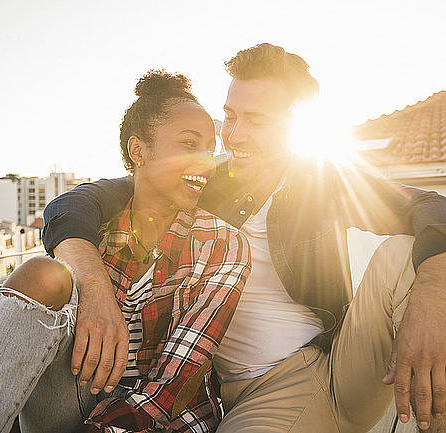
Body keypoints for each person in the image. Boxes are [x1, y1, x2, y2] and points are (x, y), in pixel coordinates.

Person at [41, 44, 446, 433]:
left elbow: (430, 206)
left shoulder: (324, 184)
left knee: (403, 256)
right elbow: (73, 205)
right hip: (229, 391)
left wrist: (434, 294)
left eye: (257, 120)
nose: (234, 135)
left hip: (324, 370)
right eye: (231, 116)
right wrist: (93, 287)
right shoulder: (199, 178)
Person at [0, 70, 251, 433]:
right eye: (188, 144)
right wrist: (95, 291)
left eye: (209, 150)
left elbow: (175, 383)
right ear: (139, 151)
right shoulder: (91, 235)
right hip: (75, 401)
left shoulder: (221, 243)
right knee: (42, 273)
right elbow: (64, 210)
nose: (205, 162)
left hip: (165, 420)